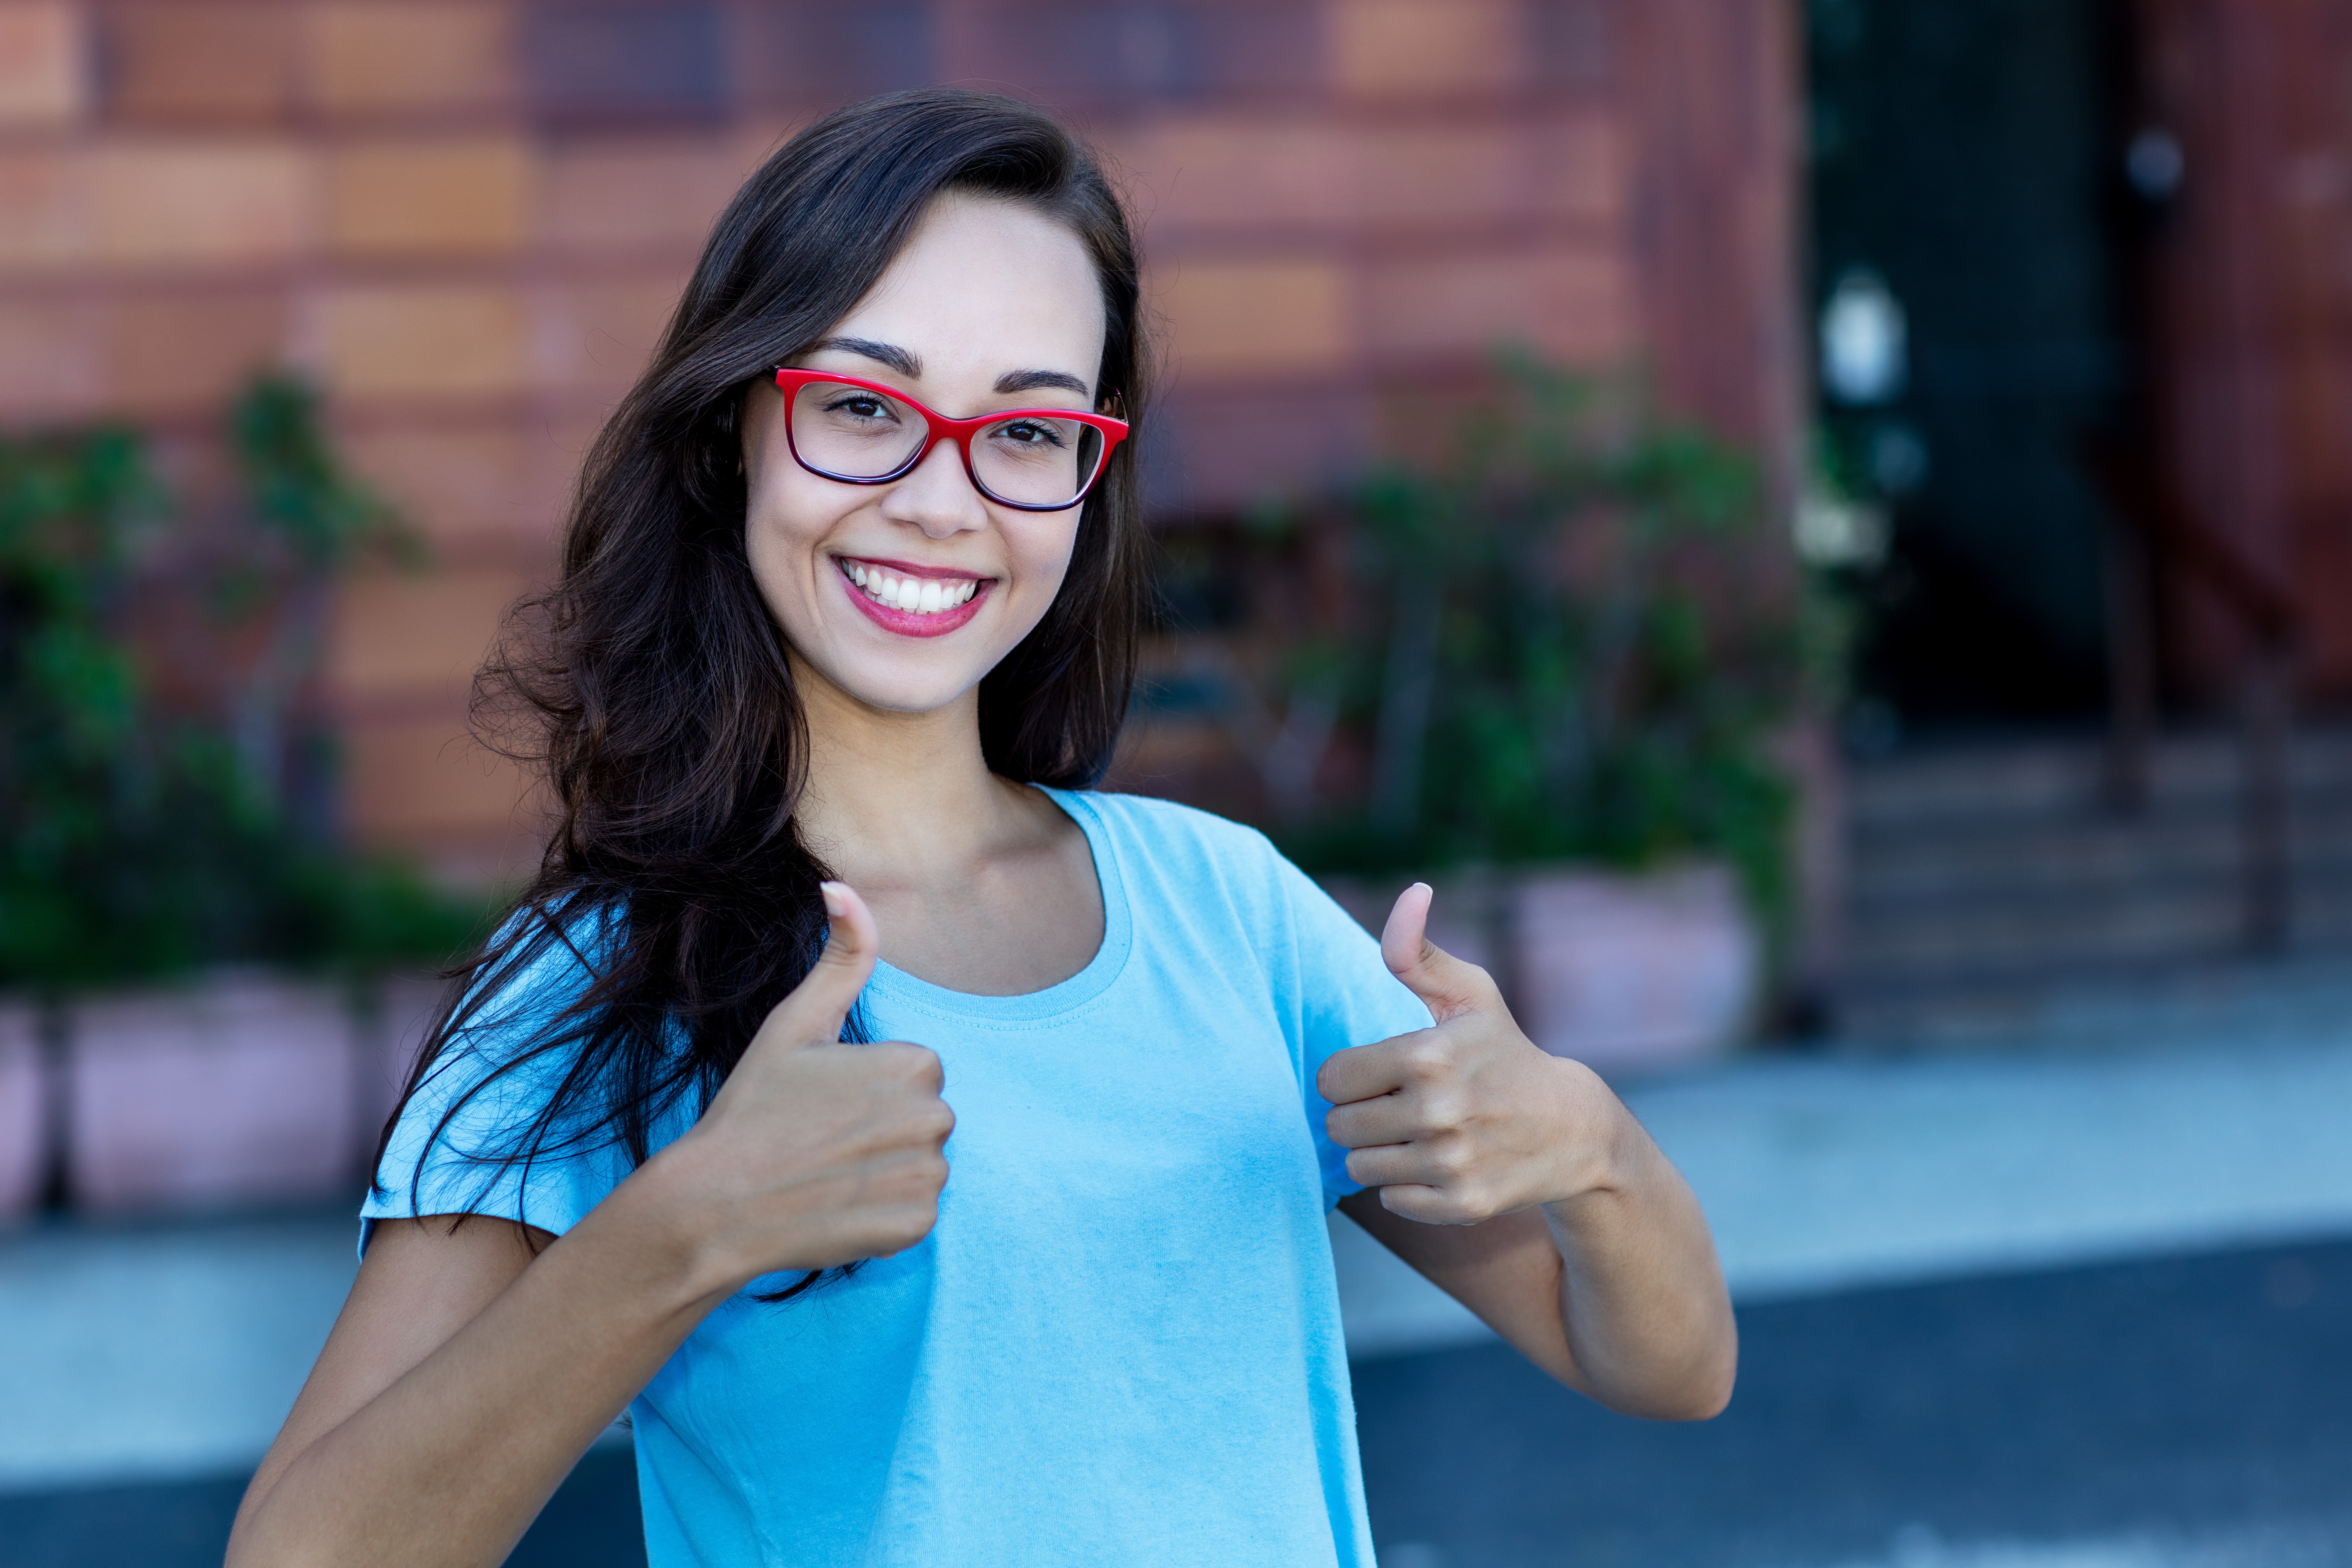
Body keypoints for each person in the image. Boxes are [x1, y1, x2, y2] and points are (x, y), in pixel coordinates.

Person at [227, 89, 1735, 1568]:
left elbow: (1671, 1368)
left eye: (1026, 431)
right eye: (865, 407)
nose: (945, 499)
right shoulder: (599, 983)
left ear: (1089, 482)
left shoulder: (1228, 909)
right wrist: (679, 1235)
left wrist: (1590, 1146)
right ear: (728, 436)